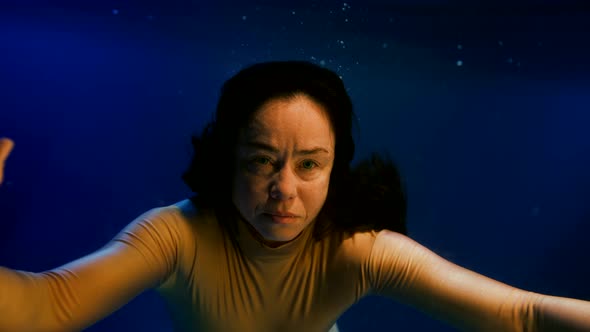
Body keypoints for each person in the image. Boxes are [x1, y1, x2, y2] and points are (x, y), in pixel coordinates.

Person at [0, 61, 589, 332]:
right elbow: (42, 307)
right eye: (261, 161)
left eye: (310, 164)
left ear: (335, 171)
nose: (284, 189)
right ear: (226, 162)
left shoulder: (360, 252)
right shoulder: (175, 236)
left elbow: (523, 313)